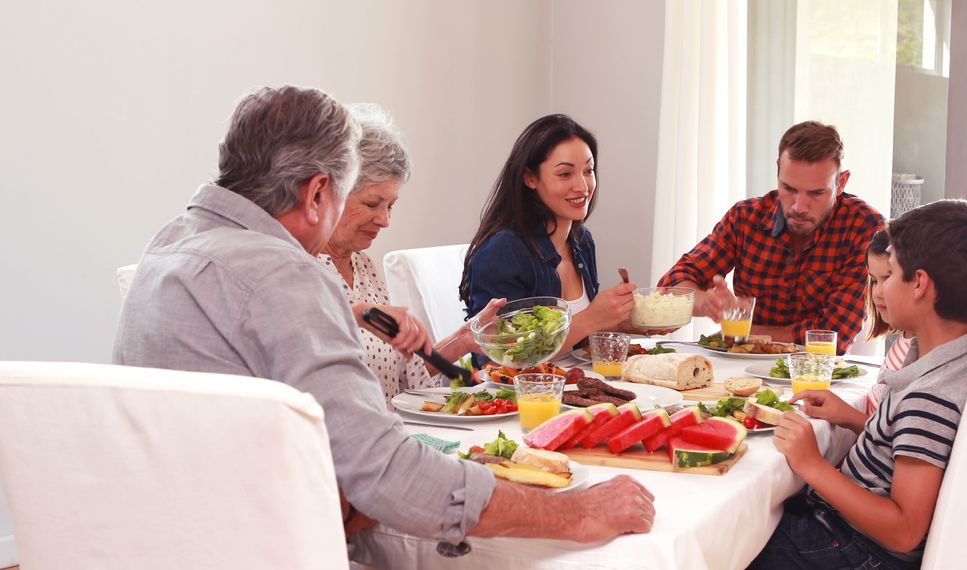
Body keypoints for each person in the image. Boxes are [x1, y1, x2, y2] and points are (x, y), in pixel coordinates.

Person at [113, 86, 655, 553]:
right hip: (265, 541)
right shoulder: (287, 274)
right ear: (319, 192)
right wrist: (577, 514)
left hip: (167, 533)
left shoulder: (169, 245)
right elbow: (386, 476)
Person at [750, 199, 967, 568]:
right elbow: (907, 443)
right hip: (846, 536)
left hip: (855, 549)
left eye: (889, 276)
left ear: (919, 284)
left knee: (733, 545)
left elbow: (904, 529)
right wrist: (855, 420)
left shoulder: (930, 397)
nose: (879, 290)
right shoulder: (947, 359)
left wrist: (813, 465)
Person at [317, 103, 504, 407]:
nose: (385, 220)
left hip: (391, 433)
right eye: (372, 203)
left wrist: (466, 338)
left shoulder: (361, 265)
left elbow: (404, 381)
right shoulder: (301, 271)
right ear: (329, 191)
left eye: (390, 206)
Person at [657, 121, 885, 353]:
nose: (799, 206)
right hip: (742, 368)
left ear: (841, 183)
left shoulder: (863, 227)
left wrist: (744, 331)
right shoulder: (745, 218)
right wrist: (703, 302)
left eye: (816, 193)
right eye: (789, 188)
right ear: (778, 170)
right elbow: (671, 284)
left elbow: (832, 336)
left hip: (819, 373)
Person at [459, 114, 638, 350]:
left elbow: (574, 343)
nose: (583, 187)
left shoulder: (581, 240)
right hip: (515, 387)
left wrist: (622, 323)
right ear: (530, 178)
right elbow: (505, 357)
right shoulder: (503, 251)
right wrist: (593, 318)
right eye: (565, 174)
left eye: (588, 170)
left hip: (573, 383)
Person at [863, 229, 914, 413]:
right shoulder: (906, 339)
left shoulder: (917, 353)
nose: (876, 292)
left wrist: (844, 414)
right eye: (874, 280)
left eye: (887, 278)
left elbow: (888, 432)